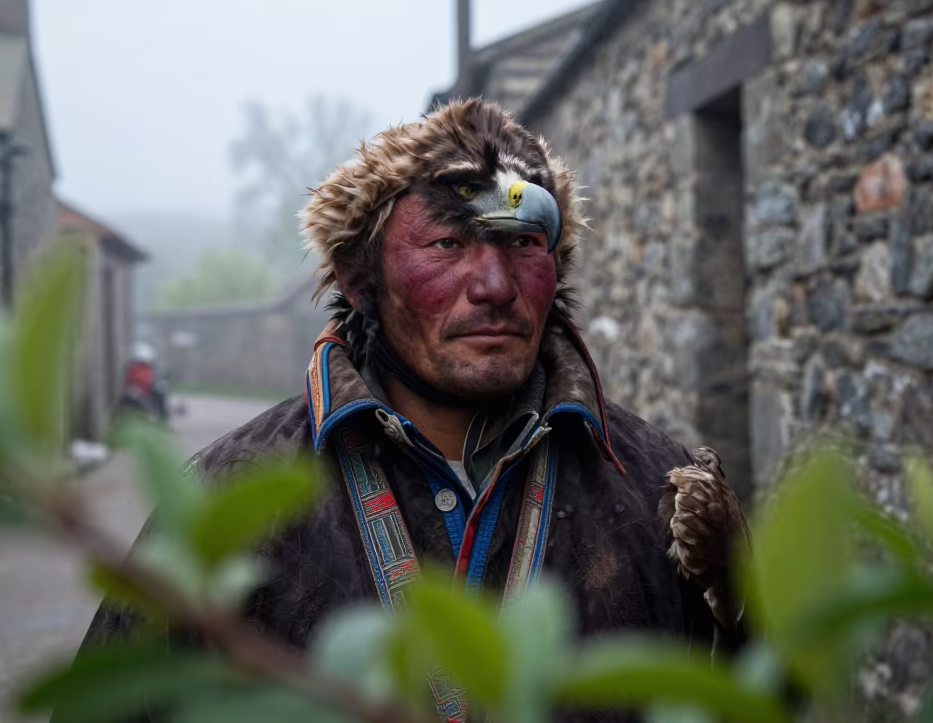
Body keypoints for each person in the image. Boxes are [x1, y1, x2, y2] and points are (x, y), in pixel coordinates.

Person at [79, 99, 747, 720]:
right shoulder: (228, 499)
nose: (494, 286)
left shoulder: (663, 492)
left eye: (523, 243)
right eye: (448, 244)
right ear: (356, 277)